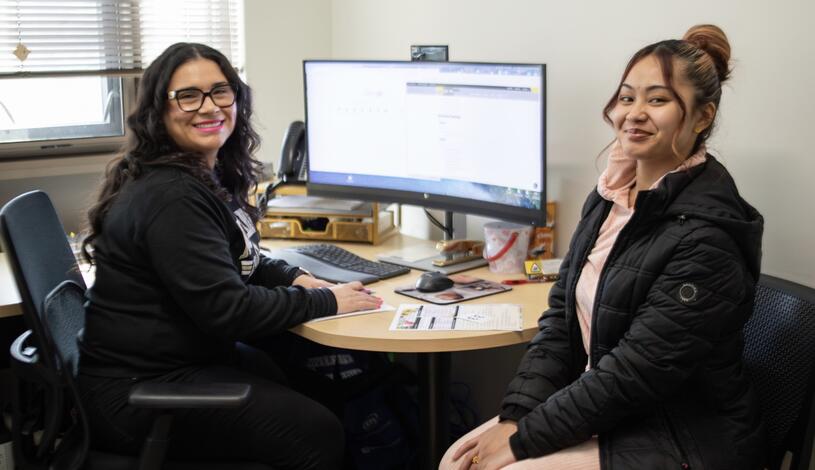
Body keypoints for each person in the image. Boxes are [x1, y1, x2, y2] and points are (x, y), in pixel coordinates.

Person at [441, 24, 766, 470]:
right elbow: (561, 324)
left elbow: (636, 372)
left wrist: (523, 441)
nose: (634, 113)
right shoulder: (611, 198)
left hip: (683, 433)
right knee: (457, 459)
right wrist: (516, 415)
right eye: (627, 98)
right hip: (611, 409)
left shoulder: (708, 237)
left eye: (658, 100)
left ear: (702, 117)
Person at [78, 42, 381, 469]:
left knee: (318, 385)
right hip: (139, 394)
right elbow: (229, 310)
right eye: (188, 96)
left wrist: (292, 277)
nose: (209, 107)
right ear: (158, 110)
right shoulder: (172, 197)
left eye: (220, 91)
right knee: (319, 433)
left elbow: (239, 258)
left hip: (175, 366)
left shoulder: (200, 175)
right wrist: (326, 300)